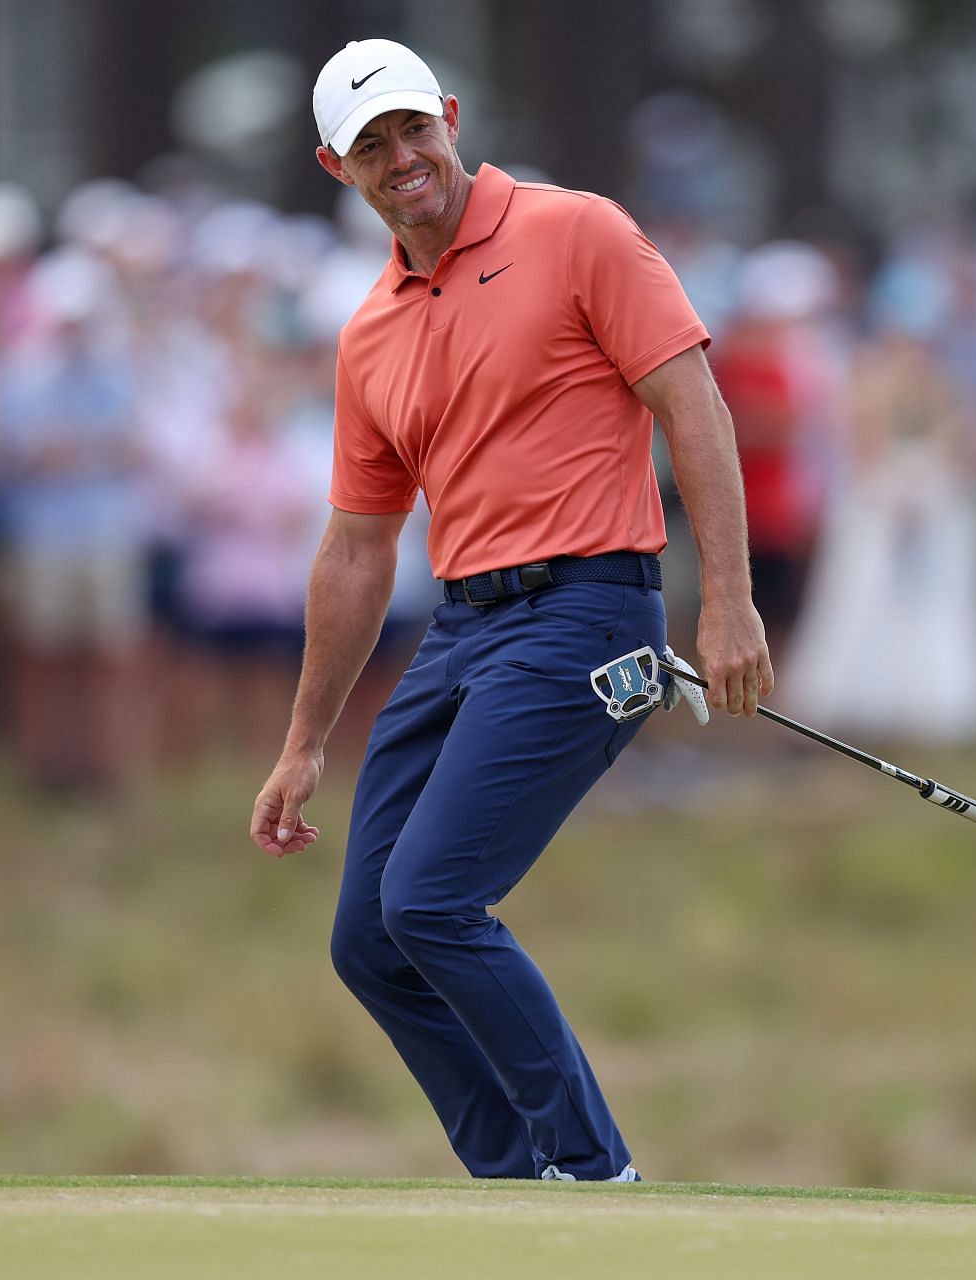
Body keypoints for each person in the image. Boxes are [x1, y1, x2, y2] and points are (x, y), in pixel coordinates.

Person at [249, 39, 772, 1183]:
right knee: (369, 940)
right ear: (337, 168)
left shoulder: (575, 230)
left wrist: (726, 599)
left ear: (448, 116)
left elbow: (693, 403)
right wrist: (302, 743)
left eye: (413, 130)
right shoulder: (369, 332)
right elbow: (355, 548)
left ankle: (594, 1174)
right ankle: (514, 1178)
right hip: (465, 630)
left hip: (591, 616)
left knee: (431, 900)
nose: (403, 160)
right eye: (371, 147)